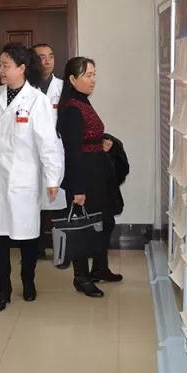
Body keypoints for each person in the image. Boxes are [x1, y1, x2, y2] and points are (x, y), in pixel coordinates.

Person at [0, 43, 63, 312]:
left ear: (22, 68)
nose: (1, 70)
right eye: (0, 65)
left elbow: (48, 143)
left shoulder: (37, 100)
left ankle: (28, 280)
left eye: (6, 65)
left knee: (27, 236)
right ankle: (3, 290)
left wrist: (52, 178)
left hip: (23, 179)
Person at [58, 57, 122, 299]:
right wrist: (78, 189)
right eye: (88, 75)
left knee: (103, 222)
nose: (93, 79)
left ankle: (99, 268)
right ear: (73, 79)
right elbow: (73, 151)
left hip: (97, 172)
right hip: (83, 175)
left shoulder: (83, 101)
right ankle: (81, 277)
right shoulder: (72, 108)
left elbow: (88, 136)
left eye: (94, 74)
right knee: (83, 228)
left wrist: (103, 142)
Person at [32, 43, 66, 258]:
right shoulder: (26, 89)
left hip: (56, 150)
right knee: (34, 201)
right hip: (31, 153)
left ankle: (60, 248)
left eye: (50, 56)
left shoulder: (63, 88)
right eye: (42, 57)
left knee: (56, 200)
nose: (47, 61)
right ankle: (35, 248)